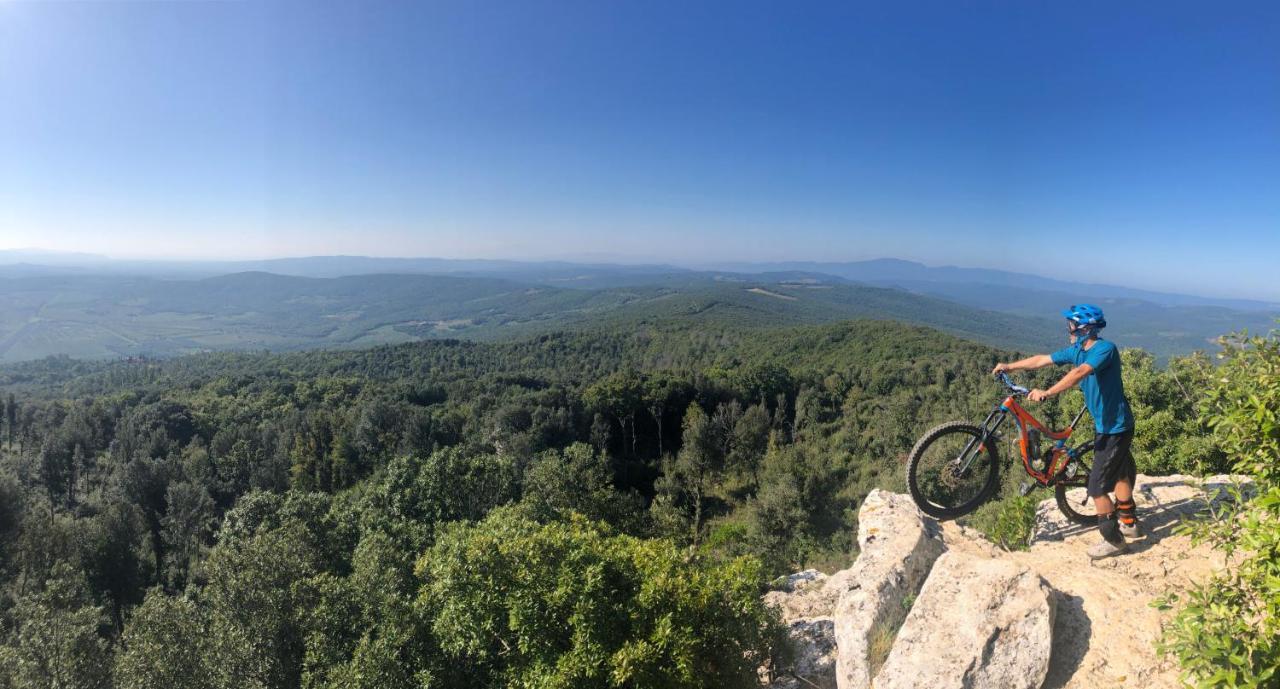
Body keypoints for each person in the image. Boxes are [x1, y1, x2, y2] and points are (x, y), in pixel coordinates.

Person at [991, 303, 1139, 560]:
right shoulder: (1078, 349)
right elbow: (1042, 360)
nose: (1068, 328)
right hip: (1109, 425)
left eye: (1072, 324)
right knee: (1121, 472)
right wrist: (1010, 366)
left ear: (1085, 328)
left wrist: (1047, 393)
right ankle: (1129, 523)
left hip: (1115, 427)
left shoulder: (1104, 349)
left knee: (1096, 487)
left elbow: (1080, 373)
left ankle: (1114, 540)